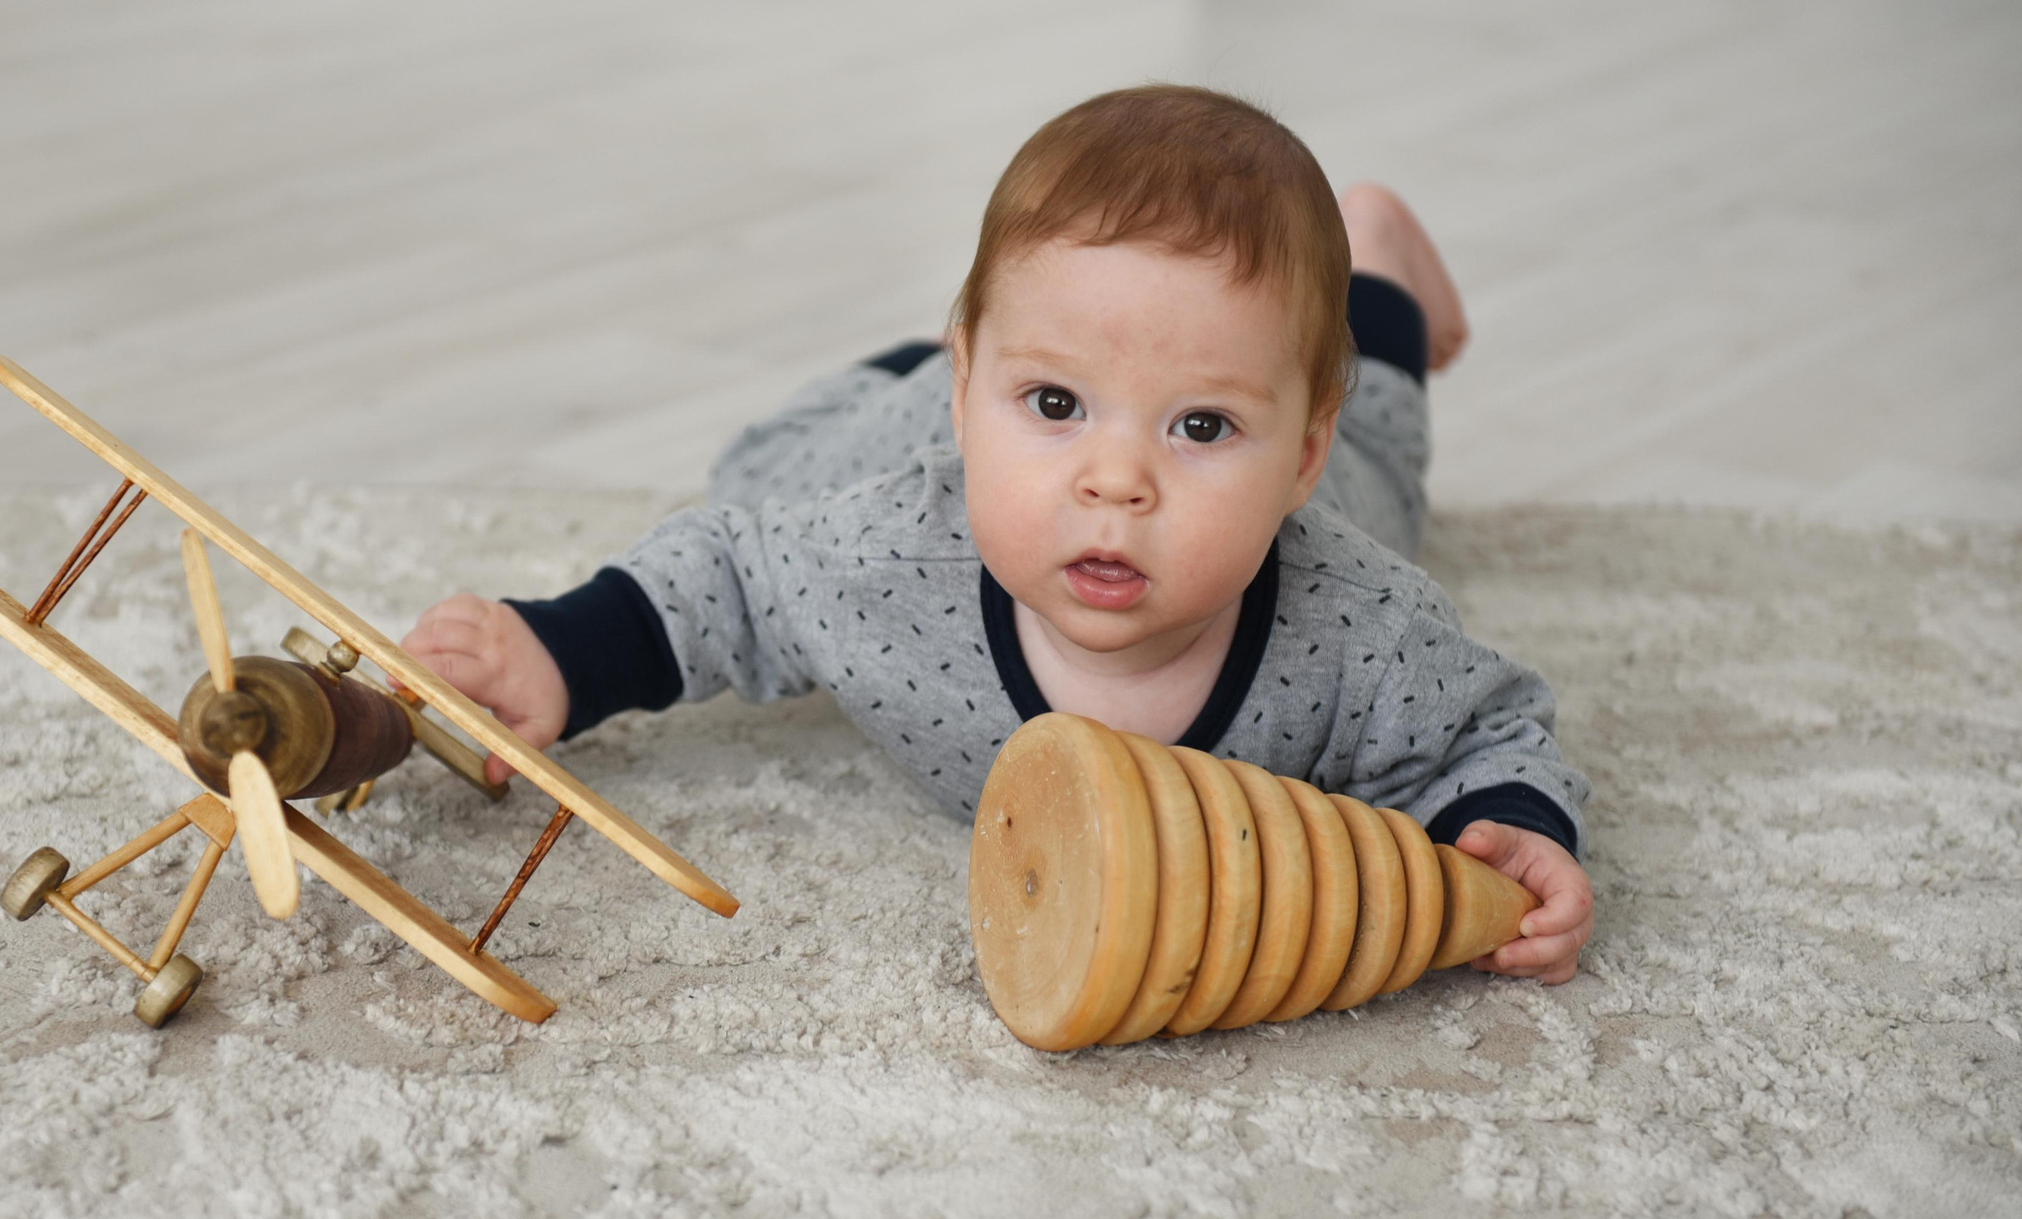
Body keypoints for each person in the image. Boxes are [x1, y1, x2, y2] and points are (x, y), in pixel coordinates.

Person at [403, 86, 1595, 985]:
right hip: (935, 413)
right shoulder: (887, 557)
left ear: (1293, 454)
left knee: (1388, 463)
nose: (1115, 482)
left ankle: (1371, 250)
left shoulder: (1358, 624)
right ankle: (929, 370)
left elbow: (1484, 728)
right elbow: (735, 570)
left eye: (1200, 425)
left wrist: (1507, 832)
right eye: (1058, 405)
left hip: (1319, 484)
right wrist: (559, 650)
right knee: (760, 471)